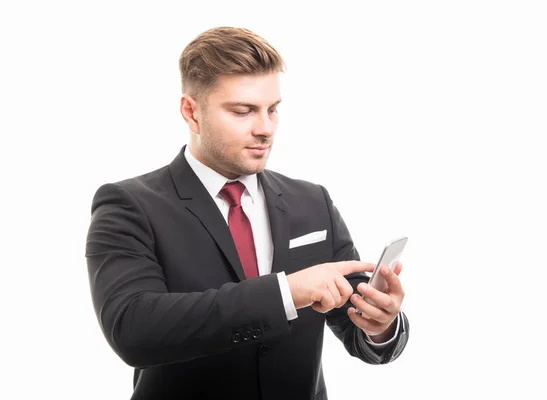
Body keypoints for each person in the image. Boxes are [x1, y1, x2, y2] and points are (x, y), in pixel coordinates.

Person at [85, 26, 409, 400]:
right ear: (191, 112)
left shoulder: (312, 202)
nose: (265, 129)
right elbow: (133, 330)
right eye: (243, 111)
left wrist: (380, 325)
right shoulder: (129, 205)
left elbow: (357, 328)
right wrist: (285, 292)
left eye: (272, 110)